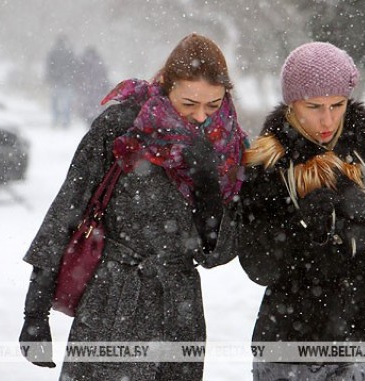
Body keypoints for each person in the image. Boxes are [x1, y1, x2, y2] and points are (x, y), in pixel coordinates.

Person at [19, 33, 247, 381]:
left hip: (179, 313)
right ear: (167, 86)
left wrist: (207, 189)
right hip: (112, 301)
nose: (201, 116)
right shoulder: (123, 127)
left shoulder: (228, 148)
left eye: (213, 106)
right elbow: (68, 208)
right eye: (189, 103)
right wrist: (35, 313)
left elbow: (218, 254)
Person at [238, 42, 365, 380]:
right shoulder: (268, 162)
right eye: (314, 106)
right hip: (290, 338)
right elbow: (256, 263)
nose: (327, 118)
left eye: (337, 105)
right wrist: (303, 226)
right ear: (293, 103)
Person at [45, 34, 77, 128]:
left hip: (56, 81)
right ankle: (66, 121)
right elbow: (74, 67)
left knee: (55, 102)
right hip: (68, 82)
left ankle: (55, 119)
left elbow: (49, 67)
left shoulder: (53, 53)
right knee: (67, 102)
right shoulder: (69, 52)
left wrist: (50, 78)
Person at [75, 45, 110, 125]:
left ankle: (88, 119)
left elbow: (79, 76)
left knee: (87, 105)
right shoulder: (99, 62)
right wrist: (105, 87)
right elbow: (104, 76)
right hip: (98, 88)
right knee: (96, 105)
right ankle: (95, 119)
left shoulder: (83, 62)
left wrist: (80, 86)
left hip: (86, 88)